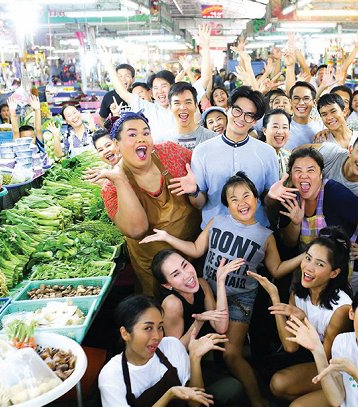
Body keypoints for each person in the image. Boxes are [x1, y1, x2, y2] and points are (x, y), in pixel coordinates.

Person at [141, 172, 302, 407]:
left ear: (256, 199)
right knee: (215, 348)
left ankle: (260, 405)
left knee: (230, 353)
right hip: (209, 290)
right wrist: (168, 239)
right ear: (226, 204)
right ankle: (223, 400)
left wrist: (306, 255)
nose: (241, 202)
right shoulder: (217, 222)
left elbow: (277, 268)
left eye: (246, 195)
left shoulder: (265, 235)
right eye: (233, 198)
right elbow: (194, 249)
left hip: (240, 298)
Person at [84, 112, 201, 296]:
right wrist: (121, 182)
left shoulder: (170, 152)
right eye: (132, 134)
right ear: (116, 144)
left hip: (194, 251)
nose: (141, 138)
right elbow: (137, 230)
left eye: (146, 133)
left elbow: (203, 167)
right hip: (157, 271)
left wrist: (197, 184)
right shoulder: (111, 187)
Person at [250, 227, 353, 407]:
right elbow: (290, 346)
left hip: (345, 373)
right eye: (308, 258)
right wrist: (275, 299)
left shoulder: (341, 308)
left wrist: (303, 319)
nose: (309, 267)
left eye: (320, 264)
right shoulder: (299, 292)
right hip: (322, 365)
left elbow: (326, 358)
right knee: (277, 384)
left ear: (334, 273)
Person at [98, 295, 225, 407]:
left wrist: (194, 359)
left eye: (160, 327)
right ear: (125, 333)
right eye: (148, 328)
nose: (157, 336)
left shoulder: (172, 346)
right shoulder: (111, 375)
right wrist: (168, 395)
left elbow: (195, 403)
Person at [172, 86, 290, 230]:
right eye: (237, 110)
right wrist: (194, 191)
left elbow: (268, 201)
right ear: (228, 108)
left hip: (256, 233)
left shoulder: (267, 153)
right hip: (214, 233)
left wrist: (272, 197)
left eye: (249, 115)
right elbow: (199, 204)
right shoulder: (202, 151)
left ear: (254, 121)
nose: (241, 118)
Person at [279, 148, 358, 291]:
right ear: (291, 175)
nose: (304, 176)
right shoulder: (291, 197)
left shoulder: (334, 192)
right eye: (298, 170)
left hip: (345, 270)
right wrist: (295, 223)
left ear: (321, 174)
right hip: (312, 271)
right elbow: (290, 242)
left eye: (311, 170)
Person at [101, 26, 211, 143]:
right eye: (155, 88)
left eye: (164, 86)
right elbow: (121, 92)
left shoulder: (182, 104)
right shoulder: (148, 108)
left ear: (172, 88)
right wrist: (109, 65)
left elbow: (206, 78)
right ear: (152, 93)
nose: (160, 91)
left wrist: (206, 48)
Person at [151, 249, 230, 348]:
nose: (187, 275)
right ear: (167, 285)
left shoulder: (203, 284)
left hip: (206, 347)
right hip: (186, 359)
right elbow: (175, 350)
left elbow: (221, 327)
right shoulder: (172, 304)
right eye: (176, 274)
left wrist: (220, 281)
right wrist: (198, 323)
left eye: (185, 265)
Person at [164, 82, 217, 150]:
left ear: (196, 106)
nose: (183, 107)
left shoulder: (212, 138)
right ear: (170, 107)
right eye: (177, 103)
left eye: (188, 102)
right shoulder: (163, 142)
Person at [283, 81, 324, 152]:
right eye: (296, 98)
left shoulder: (322, 127)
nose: (301, 103)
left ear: (314, 102)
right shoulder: (282, 126)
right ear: (290, 102)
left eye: (306, 98)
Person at [261, 109, 291, 179]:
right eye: (275, 126)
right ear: (265, 131)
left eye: (285, 127)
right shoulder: (257, 157)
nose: (280, 131)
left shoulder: (288, 155)